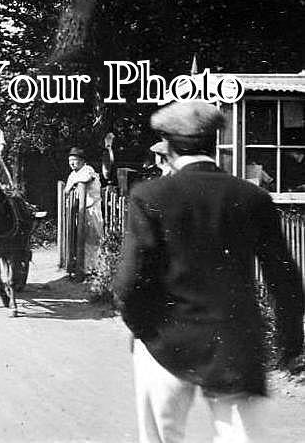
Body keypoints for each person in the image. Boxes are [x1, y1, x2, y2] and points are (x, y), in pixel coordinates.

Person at [114, 101, 304, 443]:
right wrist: (291, 344)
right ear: (215, 143)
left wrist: (142, 331)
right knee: (241, 438)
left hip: (164, 340)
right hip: (234, 343)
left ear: (169, 148)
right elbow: (285, 280)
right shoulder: (252, 198)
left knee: (161, 437)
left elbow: (129, 283)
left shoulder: (150, 195)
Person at [64, 147, 102, 275]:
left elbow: (86, 180)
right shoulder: (72, 174)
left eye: (75, 160)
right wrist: (69, 186)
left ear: (82, 161)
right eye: (70, 161)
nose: (72, 163)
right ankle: (82, 266)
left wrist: (72, 185)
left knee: (94, 237)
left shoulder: (87, 169)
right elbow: (66, 190)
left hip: (92, 208)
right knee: (80, 238)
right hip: (79, 211)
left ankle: (95, 267)